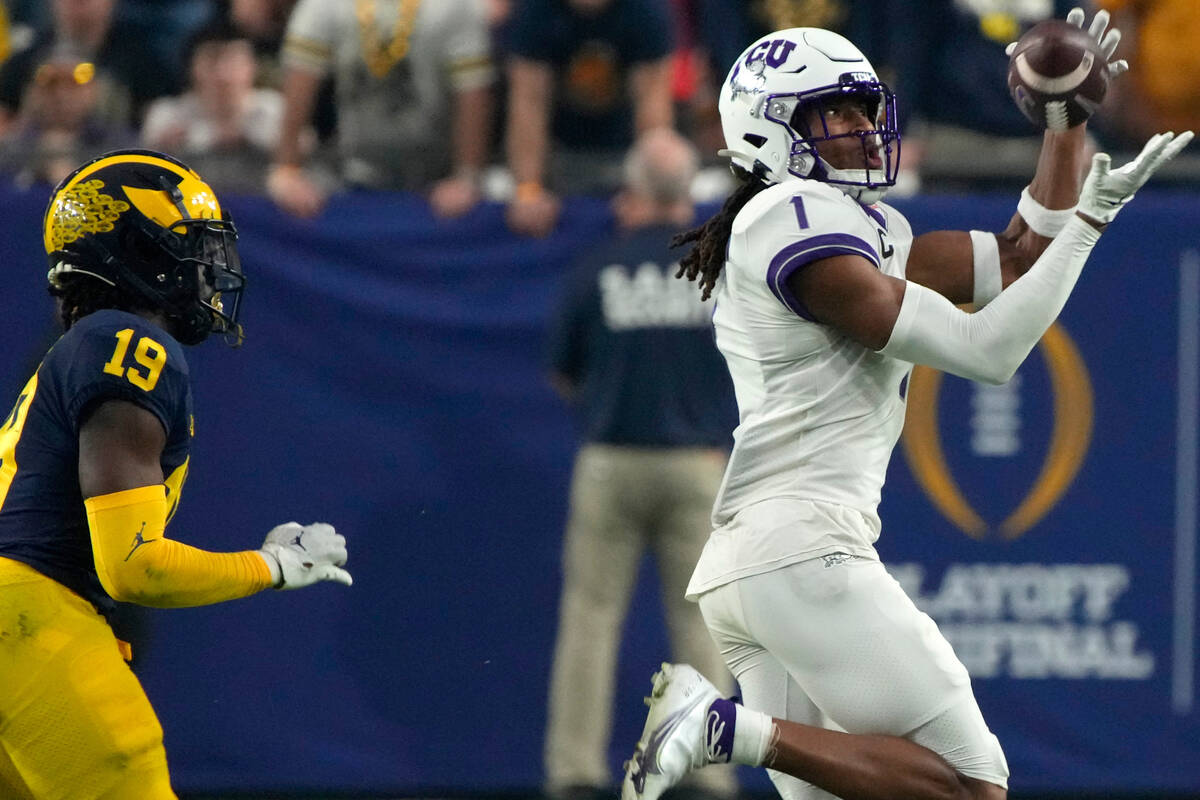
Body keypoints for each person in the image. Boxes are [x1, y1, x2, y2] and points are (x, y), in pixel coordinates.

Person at [619, 10, 1192, 800]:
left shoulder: (855, 226)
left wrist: (1064, 126)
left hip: (759, 561)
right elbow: (989, 350)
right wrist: (1092, 223)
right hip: (801, 549)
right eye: (836, 113)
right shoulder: (791, 218)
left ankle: (730, 730)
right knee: (970, 782)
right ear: (769, 130)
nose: (861, 127)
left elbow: (1022, 253)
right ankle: (723, 728)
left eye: (863, 108)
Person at [0, 149, 352, 799]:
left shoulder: (75, 349)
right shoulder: (130, 344)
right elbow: (133, 565)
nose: (211, 270)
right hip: (30, 623)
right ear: (135, 249)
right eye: (192, 245)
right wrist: (271, 566)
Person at [543, 127, 738, 800]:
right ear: (688, 196)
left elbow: (564, 372)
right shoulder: (718, 269)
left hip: (611, 460)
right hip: (697, 463)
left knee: (591, 619)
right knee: (704, 626)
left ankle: (575, 772)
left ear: (631, 193)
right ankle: (710, 776)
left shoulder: (599, 266)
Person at [266, 0, 495, 220]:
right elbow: (300, 75)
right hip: (350, 168)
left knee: (493, 190)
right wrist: (287, 168)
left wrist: (467, 174)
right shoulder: (327, 4)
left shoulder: (455, 5)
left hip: (436, 171)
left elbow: (473, 90)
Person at [504, 0, 675, 237]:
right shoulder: (535, 11)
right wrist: (528, 190)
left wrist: (649, 192)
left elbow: (652, 105)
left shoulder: (645, 10)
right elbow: (528, 104)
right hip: (560, 158)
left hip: (625, 158)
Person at [141, 18, 286, 194]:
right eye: (212, 61)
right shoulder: (167, 113)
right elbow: (144, 169)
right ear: (192, 67)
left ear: (253, 66)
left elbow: (302, 152)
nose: (223, 74)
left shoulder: (276, 108)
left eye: (233, 61)